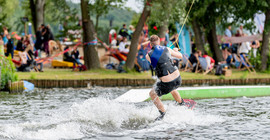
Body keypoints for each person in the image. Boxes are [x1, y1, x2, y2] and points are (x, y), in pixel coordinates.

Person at [145, 35, 190, 121]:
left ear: (151, 44)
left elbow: (156, 62)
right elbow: (180, 56)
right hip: (178, 80)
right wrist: (175, 50)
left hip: (167, 83)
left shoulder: (148, 55)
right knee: (171, 88)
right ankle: (181, 103)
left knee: (152, 93)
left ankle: (162, 114)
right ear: (159, 42)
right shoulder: (167, 49)